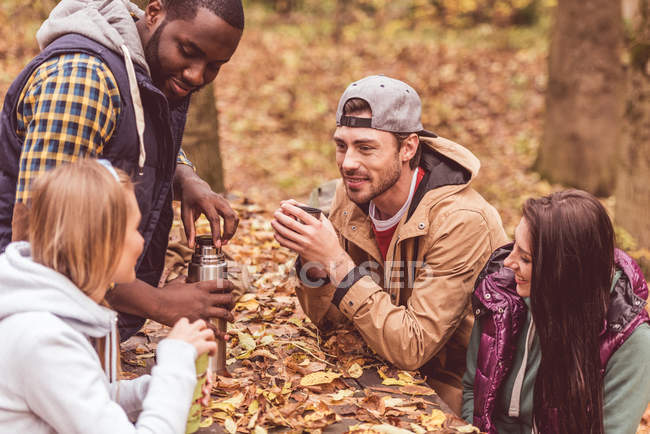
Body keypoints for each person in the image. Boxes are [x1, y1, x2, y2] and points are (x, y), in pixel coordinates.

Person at [0, 0, 244, 340]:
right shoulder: (82, 82)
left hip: (76, 323)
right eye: (188, 50)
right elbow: (43, 243)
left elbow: (125, 138)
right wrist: (158, 303)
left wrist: (185, 176)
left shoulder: (146, 68)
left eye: (214, 66)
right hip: (27, 325)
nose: (196, 74)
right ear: (155, 12)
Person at [271, 75, 508, 413]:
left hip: (455, 390)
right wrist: (312, 260)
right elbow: (332, 321)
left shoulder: (462, 220)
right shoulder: (350, 194)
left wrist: (336, 261)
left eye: (366, 147)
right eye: (342, 145)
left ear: (408, 148)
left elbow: (412, 348)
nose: (348, 163)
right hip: (381, 370)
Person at [0, 159, 216, 433]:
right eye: (134, 229)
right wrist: (175, 363)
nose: (141, 241)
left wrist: (167, 386)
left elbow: (96, 398)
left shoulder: (49, 315)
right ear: (101, 241)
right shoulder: (44, 339)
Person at [462, 189, 650, 434]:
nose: (508, 262)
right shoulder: (502, 296)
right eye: (514, 244)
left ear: (564, 271)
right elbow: (471, 391)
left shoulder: (631, 342)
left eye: (526, 258)